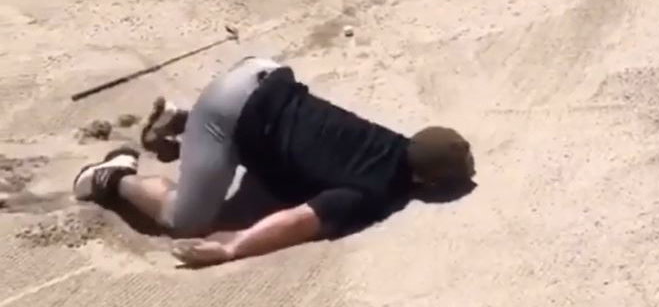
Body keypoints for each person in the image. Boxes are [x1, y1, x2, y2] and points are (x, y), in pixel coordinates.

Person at [73, 57, 476, 266]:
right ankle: (115, 175)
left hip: (260, 72)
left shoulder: (391, 141)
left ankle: (183, 121)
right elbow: (299, 221)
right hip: (227, 117)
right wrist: (233, 249)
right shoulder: (378, 192)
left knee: (273, 155)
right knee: (185, 219)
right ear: (425, 182)